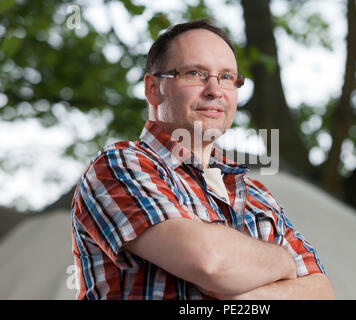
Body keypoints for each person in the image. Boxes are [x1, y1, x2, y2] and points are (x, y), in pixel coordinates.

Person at [71, 19, 335, 300]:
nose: (215, 90)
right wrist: (283, 262)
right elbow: (211, 263)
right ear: (153, 88)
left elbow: (321, 292)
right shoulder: (119, 165)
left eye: (227, 77)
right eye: (195, 73)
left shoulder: (259, 196)